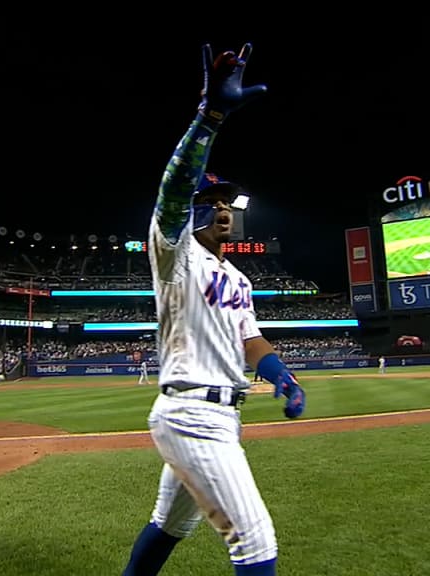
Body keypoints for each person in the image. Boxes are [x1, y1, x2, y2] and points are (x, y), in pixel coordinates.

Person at [121, 42, 304, 576]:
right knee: (255, 540)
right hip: (191, 412)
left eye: (228, 201)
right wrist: (211, 117)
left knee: (170, 523)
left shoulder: (237, 277)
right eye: (214, 200)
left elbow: (250, 337)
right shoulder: (175, 254)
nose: (223, 208)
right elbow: (174, 190)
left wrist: (283, 375)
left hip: (224, 413)